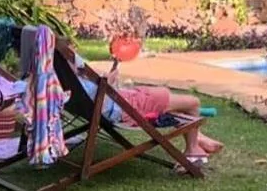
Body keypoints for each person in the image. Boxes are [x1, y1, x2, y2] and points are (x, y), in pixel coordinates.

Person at [74, 55, 223, 164]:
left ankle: (198, 137)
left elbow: (93, 93)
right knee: (193, 103)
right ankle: (193, 149)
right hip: (128, 107)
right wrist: (109, 82)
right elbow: (102, 99)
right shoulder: (73, 67)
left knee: (168, 99)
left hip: (124, 101)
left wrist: (105, 82)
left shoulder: (61, 76)